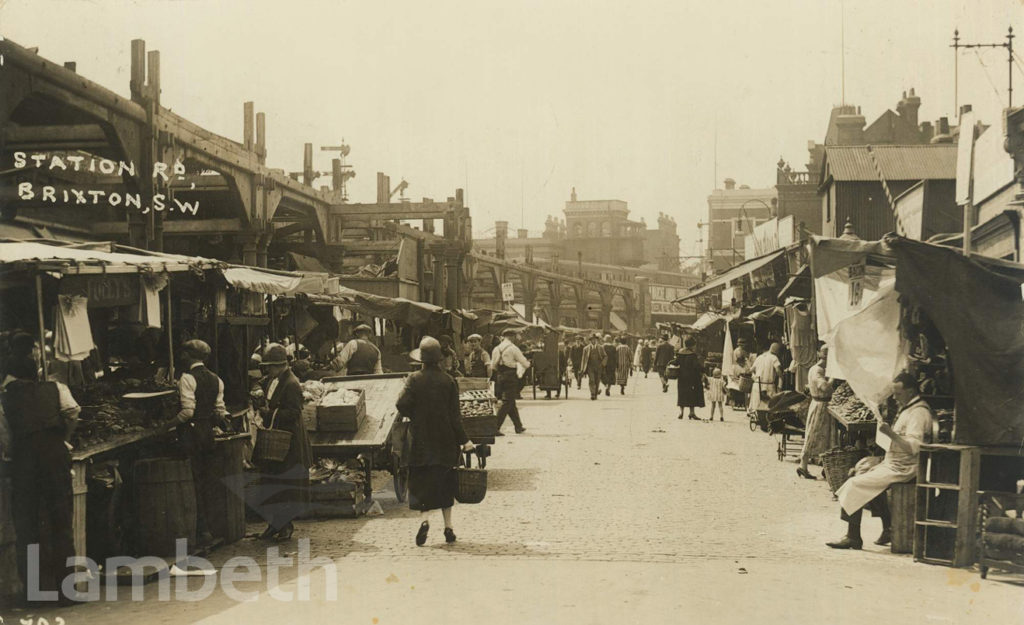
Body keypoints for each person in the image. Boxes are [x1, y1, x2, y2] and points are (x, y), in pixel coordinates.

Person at [1, 354, 80, 603]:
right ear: (36, 371)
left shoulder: (4, 397)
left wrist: (16, 451)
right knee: (62, 524)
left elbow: (4, 434)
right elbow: (73, 412)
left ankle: (34, 593)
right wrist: (63, 439)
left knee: (27, 527)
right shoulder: (56, 387)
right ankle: (67, 592)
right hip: (55, 456)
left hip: (25, 462)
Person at [828, 372, 934, 549]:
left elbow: (914, 447)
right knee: (860, 470)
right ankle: (888, 527)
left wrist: (891, 434)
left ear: (911, 391)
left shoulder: (919, 413)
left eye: (898, 393)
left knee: (856, 483)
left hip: (905, 467)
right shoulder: (908, 408)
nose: (895, 397)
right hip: (895, 463)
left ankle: (853, 536)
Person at [397, 337, 475, 546]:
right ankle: (448, 527)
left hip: (420, 439)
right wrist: (465, 441)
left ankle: (424, 521)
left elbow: (400, 404)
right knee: (445, 483)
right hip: (445, 441)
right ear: (440, 359)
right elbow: (455, 417)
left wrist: (415, 414)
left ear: (421, 359)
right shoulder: (449, 381)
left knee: (421, 482)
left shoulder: (413, 379)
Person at [171, 339, 230, 546]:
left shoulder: (187, 378)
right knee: (207, 481)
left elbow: (188, 411)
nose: (180, 356)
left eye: (183, 353)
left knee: (193, 482)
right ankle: (208, 530)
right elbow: (220, 411)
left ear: (189, 355)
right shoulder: (216, 379)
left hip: (191, 435)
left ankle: (198, 531)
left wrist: (169, 424)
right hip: (207, 435)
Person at [256, 343, 313, 541]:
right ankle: (274, 524)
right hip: (277, 441)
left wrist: (269, 413)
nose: (268, 370)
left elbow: (294, 413)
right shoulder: (275, 380)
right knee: (273, 483)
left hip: (289, 441)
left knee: (285, 484)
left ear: (280, 365)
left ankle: (286, 525)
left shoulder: (291, 384)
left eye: (270, 366)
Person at [797, 344, 835, 480]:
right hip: (820, 404)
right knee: (814, 434)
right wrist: (832, 380)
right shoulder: (817, 370)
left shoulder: (817, 369)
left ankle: (825, 467)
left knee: (826, 437)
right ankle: (803, 465)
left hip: (822, 404)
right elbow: (824, 387)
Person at [490, 328, 529, 434]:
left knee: (510, 401)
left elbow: (493, 366)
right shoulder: (513, 348)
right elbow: (524, 363)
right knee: (507, 402)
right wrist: (526, 364)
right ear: (512, 336)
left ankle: (518, 426)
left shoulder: (496, 349)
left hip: (500, 376)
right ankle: (495, 427)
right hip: (510, 376)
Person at [672, 336, 705, 420]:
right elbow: (696, 366)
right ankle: (692, 413)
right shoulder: (692, 355)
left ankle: (681, 412)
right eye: (694, 345)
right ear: (691, 345)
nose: (695, 346)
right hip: (691, 378)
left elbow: (675, 363)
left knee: (682, 394)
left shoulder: (680, 353)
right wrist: (703, 369)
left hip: (681, 377)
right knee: (692, 395)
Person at [748, 342, 783, 412]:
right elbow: (778, 372)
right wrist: (780, 384)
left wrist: (755, 377)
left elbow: (751, 370)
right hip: (768, 386)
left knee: (756, 408)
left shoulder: (759, 357)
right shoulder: (774, 358)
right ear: (777, 351)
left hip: (757, 385)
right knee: (769, 408)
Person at [580, 334, 607, 400]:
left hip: (599, 367)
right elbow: (583, 359)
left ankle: (595, 394)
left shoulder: (600, 348)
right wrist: (582, 369)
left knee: (597, 381)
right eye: (592, 339)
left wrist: (603, 364)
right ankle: (592, 394)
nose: (593, 341)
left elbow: (605, 356)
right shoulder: (586, 349)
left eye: (594, 339)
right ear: (590, 341)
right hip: (590, 367)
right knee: (591, 380)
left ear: (596, 340)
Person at [728, 337, 752, 408]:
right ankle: (738, 402)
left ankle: (742, 402)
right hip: (737, 371)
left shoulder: (744, 351)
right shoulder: (737, 351)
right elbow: (737, 361)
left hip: (742, 371)